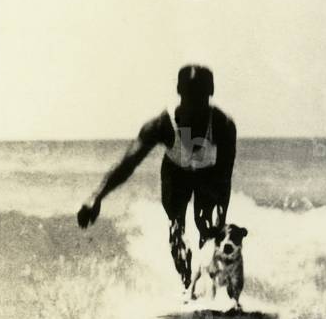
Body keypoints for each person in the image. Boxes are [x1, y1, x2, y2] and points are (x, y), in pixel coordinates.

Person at [77, 65, 237, 289]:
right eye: (189, 96)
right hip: (176, 174)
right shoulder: (162, 125)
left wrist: (222, 216)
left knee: (208, 227)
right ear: (179, 92)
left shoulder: (223, 125)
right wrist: (97, 196)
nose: (195, 104)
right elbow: (128, 164)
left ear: (211, 92)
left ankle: (210, 286)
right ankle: (186, 288)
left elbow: (224, 176)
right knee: (177, 230)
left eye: (200, 96)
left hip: (207, 175)